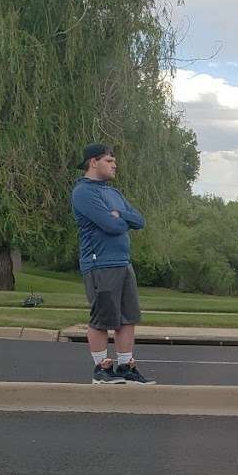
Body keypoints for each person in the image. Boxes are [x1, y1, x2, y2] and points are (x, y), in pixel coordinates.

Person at [71, 143, 153, 385]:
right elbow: (111, 226)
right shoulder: (84, 192)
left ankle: (126, 367)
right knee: (103, 318)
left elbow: (139, 220)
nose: (114, 164)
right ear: (93, 162)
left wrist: (121, 214)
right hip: (100, 263)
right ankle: (102, 368)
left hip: (122, 262)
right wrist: (118, 218)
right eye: (109, 160)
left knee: (128, 317)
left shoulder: (113, 194)